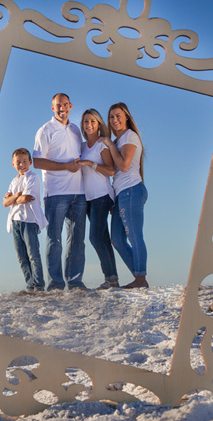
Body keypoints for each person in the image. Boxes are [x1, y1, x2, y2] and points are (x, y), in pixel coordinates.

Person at [33, 93, 87, 291]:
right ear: (52, 107)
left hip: (79, 193)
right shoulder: (45, 130)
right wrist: (65, 166)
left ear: (70, 106)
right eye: (58, 105)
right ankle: (55, 284)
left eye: (65, 104)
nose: (62, 108)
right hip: (56, 194)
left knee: (77, 240)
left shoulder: (75, 130)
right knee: (54, 239)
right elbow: (37, 161)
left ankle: (75, 282)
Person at [100, 102, 149, 288]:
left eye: (118, 116)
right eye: (111, 117)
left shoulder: (130, 136)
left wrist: (110, 145)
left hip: (132, 190)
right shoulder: (117, 142)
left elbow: (124, 166)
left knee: (134, 236)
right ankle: (139, 278)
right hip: (120, 194)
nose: (114, 120)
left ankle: (140, 279)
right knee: (117, 240)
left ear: (126, 117)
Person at [76, 108, 119, 289]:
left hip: (102, 196)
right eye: (86, 121)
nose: (89, 125)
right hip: (88, 198)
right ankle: (113, 279)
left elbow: (111, 170)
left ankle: (109, 277)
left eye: (93, 121)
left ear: (99, 124)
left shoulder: (102, 144)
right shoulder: (81, 146)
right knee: (103, 238)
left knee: (94, 237)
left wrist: (89, 163)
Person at [3, 148, 48, 292]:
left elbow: (26, 198)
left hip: (29, 220)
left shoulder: (33, 177)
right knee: (21, 256)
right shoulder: (13, 181)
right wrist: (17, 195)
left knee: (33, 254)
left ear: (30, 162)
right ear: (13, 164)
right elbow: (5, 203)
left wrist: (12, 198)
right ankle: (30, 285)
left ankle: (39, 286)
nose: (21, 164)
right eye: (18, 162)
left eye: (24, 161)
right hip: (15, 221)